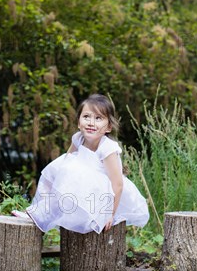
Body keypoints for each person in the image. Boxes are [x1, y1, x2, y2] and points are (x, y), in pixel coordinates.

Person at [14, 94, 149, 234]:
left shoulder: (108, 148)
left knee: (72, 171)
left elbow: (118, 185)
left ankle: (54, 215)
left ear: (108, 127)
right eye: (86, 117)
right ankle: (40, 212)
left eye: (98, 118)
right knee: (57, 169)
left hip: (105, 192)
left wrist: (110, 214)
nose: (91, 122)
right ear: (79, 123)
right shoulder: (78, 138)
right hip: (85, 184)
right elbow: (67, 159)